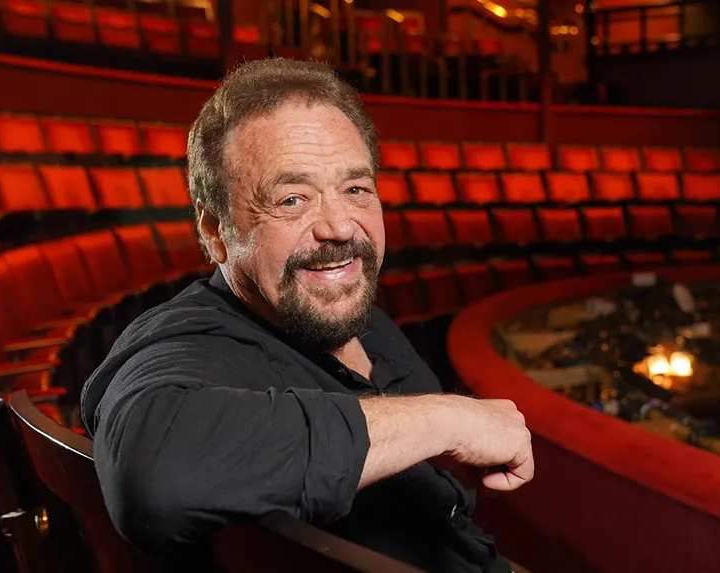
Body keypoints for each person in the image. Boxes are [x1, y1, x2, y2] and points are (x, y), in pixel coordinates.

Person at [80, 58, 534, 573]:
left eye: (356, 189)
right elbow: (157, 472)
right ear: (214, 232)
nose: (339, 226)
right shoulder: (189, 341)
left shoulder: (362, 323)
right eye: (292, 199)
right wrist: (448, 419)